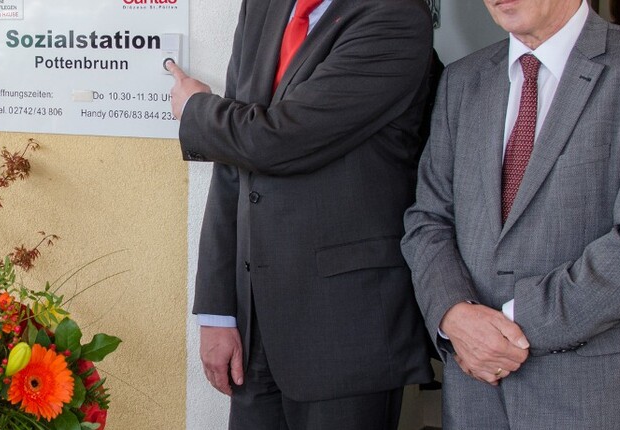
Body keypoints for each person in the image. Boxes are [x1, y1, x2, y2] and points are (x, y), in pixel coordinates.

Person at [402, 0, 620, 427]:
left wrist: (505, 327)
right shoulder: (462, 80)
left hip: (599, 395)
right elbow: (428, 220)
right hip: (477, 398)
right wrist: (453, 314)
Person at [165, 0, 435, 427]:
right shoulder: (263, 6)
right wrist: (218, 312)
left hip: (346, 335)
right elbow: (233, 162)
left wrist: (197, 109)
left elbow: (283, 140)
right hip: (255, 335)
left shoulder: (396, 16)